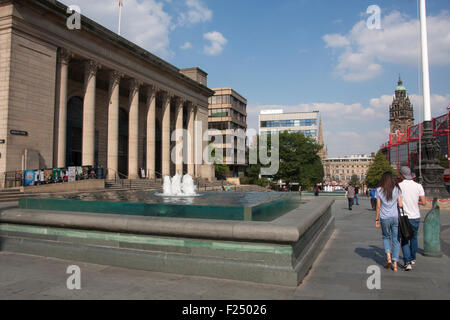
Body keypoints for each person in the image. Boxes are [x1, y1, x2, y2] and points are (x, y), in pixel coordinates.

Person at [398, 166, 427, 271]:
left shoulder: (399, 186)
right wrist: (416, 201)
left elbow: (398, 202)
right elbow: (424, 202)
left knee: (405, 239)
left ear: (401, 175)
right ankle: (413, 258)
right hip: (416, 216)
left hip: (404, 217)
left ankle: (407, 262)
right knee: (414, 238)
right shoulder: (418, 186)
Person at [375, 172, 403, 272]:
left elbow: (378, 206)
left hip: (384, 217)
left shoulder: (379, 190)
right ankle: (395, 263)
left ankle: (389, 258)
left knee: (386, 237)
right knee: (396, 240)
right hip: (395, 217)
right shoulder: (397, 189)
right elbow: (400, 204)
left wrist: (377, 219)